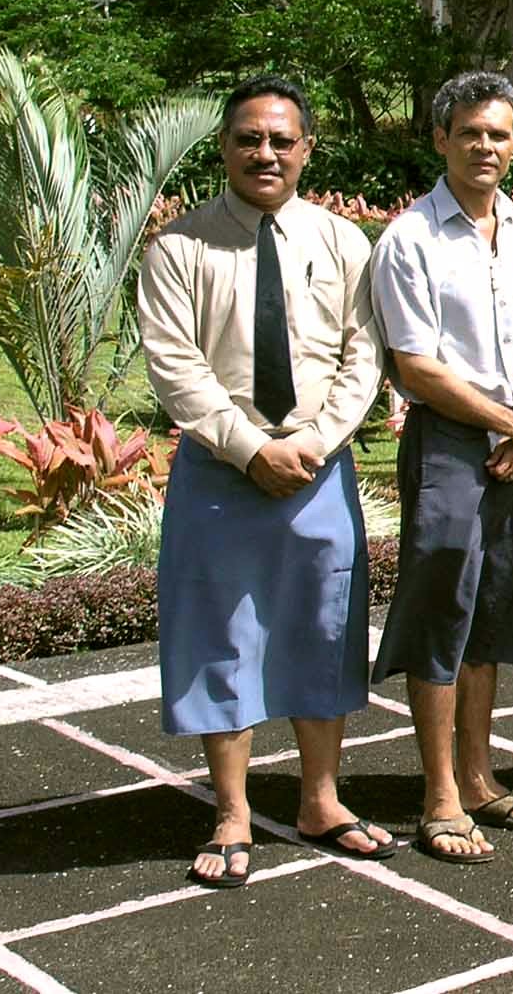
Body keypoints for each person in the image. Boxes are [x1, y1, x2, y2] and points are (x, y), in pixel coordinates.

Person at [140, 74, 393, 888]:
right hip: (222, 473)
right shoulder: (179, 247)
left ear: (307, 149)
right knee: (223, 638)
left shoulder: (344, 243)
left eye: (282, 140)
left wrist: (315, 443)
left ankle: (322, 799)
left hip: (318, 469)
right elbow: (176, 370)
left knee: (322, 628)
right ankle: (232, 812)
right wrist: (251, 449)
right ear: (223, 146)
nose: (265, 153)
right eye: (249, 138)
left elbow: (364, 357)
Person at [370, 71, 513, 863]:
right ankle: (440, 794)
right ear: (441, 137)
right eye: (470, 132)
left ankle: (481, 779)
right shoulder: (409, 239)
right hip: (452, 442)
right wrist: (512, 422)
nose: (486, 146)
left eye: (500, 134)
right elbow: (415, 368)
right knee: (441, 611)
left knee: (496, 615)